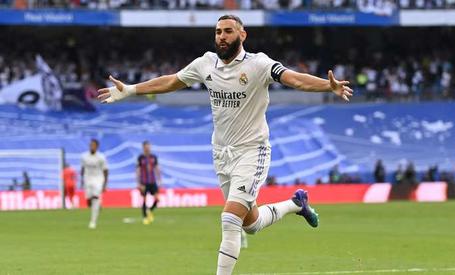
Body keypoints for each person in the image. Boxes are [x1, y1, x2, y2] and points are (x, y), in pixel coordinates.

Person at [97, 14, 352, 275]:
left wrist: (326, 86)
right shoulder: (205, 64)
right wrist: (130, 90)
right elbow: (171, 81)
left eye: (228, 31)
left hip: (253, 151)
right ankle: (296, 204)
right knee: (249, 224)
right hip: (221, 154)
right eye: (218, 31)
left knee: (230, 218)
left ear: (243, 35)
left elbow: (293, 78)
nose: (222, 36)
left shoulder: (259, 64)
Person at [81, 139, 108, 229]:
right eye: (91, 145)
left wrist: (105, 184)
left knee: (95, 198)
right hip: (87, 179)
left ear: (97, 146)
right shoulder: (84, 156)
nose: (92, 146)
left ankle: (93, 222)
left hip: (98, 179)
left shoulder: (101, 157)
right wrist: (82, 181)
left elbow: (105, 170)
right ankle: (98, 203)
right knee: (89, 201)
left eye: (93, 145)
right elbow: (83, 169)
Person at [136, 140, 162, 225]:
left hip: (152, 181)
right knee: (144, 199)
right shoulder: (140, 158)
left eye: (148, 146)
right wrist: (139, 183)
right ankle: (145, 217)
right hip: (144, 182)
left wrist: (159, 180)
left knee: (157, 199)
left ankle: (149, 211)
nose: (147, 148)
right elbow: (138, 170)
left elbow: (157, 169)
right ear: (143, 148)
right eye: (146, 147)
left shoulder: (153, 157)